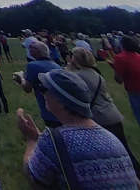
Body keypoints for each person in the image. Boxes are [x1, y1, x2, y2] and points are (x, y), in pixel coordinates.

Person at [17, 68, 138, 189]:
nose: (42, 93)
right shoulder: (113, 139)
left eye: (44, 89)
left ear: (60, 102)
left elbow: (35, 179)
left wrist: (32, 140)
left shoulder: (53, 140)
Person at [66, 46, 140, 175]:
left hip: (99, 117)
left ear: (75, 60)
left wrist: (68, 70)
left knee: (106, 153)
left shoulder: (77, 76)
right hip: (112, 114)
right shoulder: (96, 73)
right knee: (123, 150)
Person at [20, 40, 62, 128]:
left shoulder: (32, 65)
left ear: (37, 51)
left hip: (46, 105)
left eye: (31, 48)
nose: (29, 50)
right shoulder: (56, 65)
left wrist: (21, 78)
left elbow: (27, 88)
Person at [112, 35, 140, 130]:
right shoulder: (138, 56)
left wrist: (115, 68)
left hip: (135, 90)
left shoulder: (120, 58)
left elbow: (118, 80)